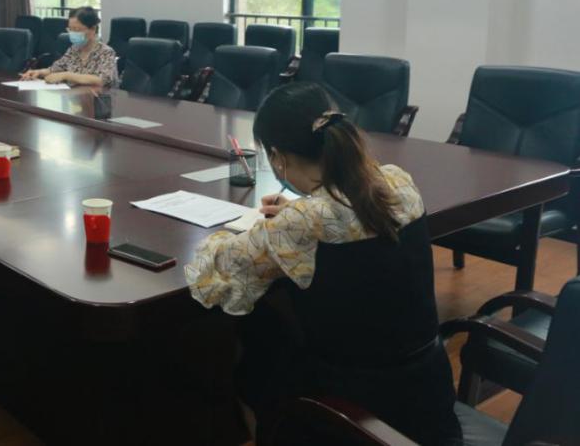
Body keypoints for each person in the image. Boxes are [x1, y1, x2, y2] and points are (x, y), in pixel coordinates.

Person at [185, 83, 460, 445]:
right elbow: (350, 219)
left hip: (350, 406)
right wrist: (299, 216)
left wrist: (276, 226)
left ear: (277, 157)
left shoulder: (302, 222)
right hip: (428, 396)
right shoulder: (398, 181)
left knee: (254, 341)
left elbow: (215, 267)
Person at [19, 7, 117, 87]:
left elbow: (102, 80)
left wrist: (67, 75)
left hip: (97, 100)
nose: (73, 33)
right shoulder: (73, 49)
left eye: (77, 29)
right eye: (71, 29)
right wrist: (38, 72)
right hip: (74, 98)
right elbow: (54, 69)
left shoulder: (106, 52)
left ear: (93, 29)